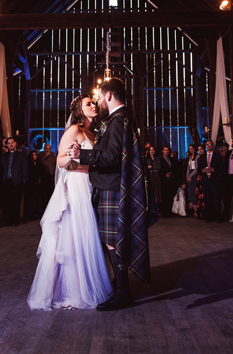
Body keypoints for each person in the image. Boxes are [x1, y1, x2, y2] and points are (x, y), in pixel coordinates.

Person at [69, 77, 155, 311]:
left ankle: (123, 293)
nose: (99, 103)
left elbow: (112, 157)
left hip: (111, 188)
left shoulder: (118, 120)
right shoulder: (120, 118)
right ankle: (120, 286)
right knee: (111, 243)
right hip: (110, 187)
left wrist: (82, 156)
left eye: (100, 98)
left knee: (112, 244)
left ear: (108, 96)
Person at [27, 95, 112, 310]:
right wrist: (74, 155)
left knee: (89, 232)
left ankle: (90, 282)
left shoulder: (94, 131)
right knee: (76, 232)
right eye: (88, 104)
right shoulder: (74, 130)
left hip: (91, 183)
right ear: (79, 111)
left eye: (94, 102)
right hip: (76, 184)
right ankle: (75, 289)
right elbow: (60, 161)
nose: (93, 105)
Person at [2, 137, 28, 227]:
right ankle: (8, 220)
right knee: (7, 202)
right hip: (7, 181)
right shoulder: (4, 155)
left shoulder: (21, 155)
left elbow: (25, 168)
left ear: (15, 143)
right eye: (8, 143)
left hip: (17, 182)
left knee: (16, 202)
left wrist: (23, 180)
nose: (10, 144)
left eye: (12, 142)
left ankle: (14, 220)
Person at [198, 140, 224, 223]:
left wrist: (213, 170)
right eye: (207, 144)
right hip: (206, 180)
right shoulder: (202, 157)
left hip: (214, 180)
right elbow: (198, 169)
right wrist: (203, 170)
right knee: (207, 199)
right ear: (205, 146)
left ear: (213, 145)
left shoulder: (217, 156)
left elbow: (221, 168)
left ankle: (218, 217)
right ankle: (208, 216)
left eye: (210, 144)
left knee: (216, 198)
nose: (209, 146)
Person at [25, 151, 47, 219]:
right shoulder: (28, 164)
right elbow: (29, 174)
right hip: (31, 184)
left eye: (35, 155)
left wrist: (40, 179)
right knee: (32, 199)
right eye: (32, 155)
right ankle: (32, 213)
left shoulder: (39, 164)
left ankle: (39, 212)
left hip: (39, 184)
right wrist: (34, 180)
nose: (34, 156)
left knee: (39, 198)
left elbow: (42, 172)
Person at [159, 146, 176, 218]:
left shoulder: (172, 160)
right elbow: (158, 170)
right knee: (164, 195)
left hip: (170, 180)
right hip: (163, 180)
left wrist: (172, 175)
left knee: (170, 195)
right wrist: (164, 175)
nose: (166, 152)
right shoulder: (160, 160)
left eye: (168, 150)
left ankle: (169, 211)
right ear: (163, 151)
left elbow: (175, 168)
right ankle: (164, 211)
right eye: (165, 150)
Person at [185, 144, 198, 211]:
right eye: (190, 148)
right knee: (190, 190)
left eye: (192, 148)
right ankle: (192, 207)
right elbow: (188, 167)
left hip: (194, 174)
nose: (191, 149)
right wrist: (187, 176)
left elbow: (196, 168)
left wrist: (190, 175)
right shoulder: (190, 156)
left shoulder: (197, 156)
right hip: (190, 174)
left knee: (194, 190)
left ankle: (195, 207)